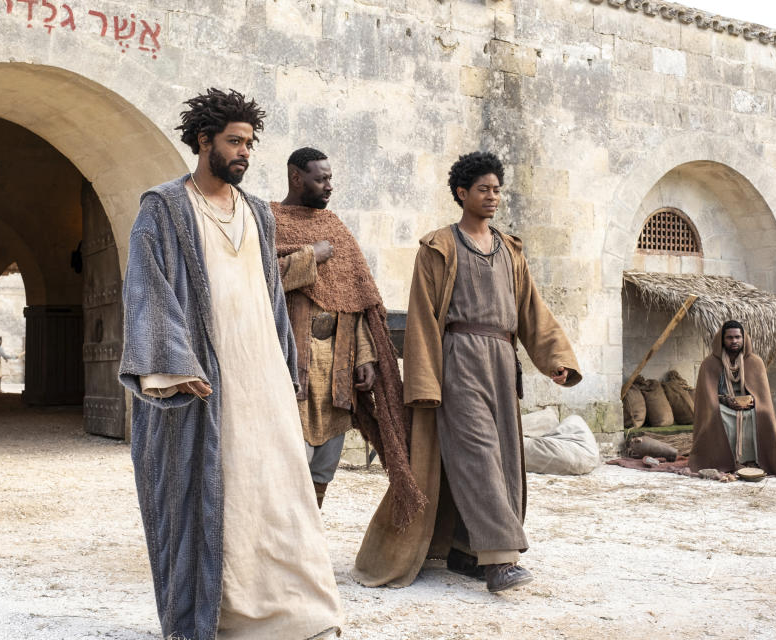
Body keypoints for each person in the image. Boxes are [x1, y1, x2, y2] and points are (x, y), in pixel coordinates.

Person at [118, 88, 342, 640]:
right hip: (202, 380)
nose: (244, 152)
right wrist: (173, 363)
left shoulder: (258, 212)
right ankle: (220, 617)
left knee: (276, 491)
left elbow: (270, 296)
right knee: (212, 495)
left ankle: (300, 614)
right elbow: (148, 290)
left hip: (260, 372)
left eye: (250, 143)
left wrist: (287, 367)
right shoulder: (165, 207)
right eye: (234, 142)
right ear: (204, 141)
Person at [354, 151, 582, 593]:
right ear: (462, 193)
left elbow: (532, 311)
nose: (493, 197)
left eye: (497, 189)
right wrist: (423, 381)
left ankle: (464, 551)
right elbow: (422, 318)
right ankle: (500, 559)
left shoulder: (510, 249)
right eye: (484, 189)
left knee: (502, 459)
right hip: (457, 360)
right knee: (476, 453)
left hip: (501, 361)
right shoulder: (438, 247)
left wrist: (556, 360)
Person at [272, 147, 409, 509]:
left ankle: (309, 544)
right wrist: (308, 256)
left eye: (330, 178)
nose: (329, 186)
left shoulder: (336, 228)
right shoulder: (269, 220)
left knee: (324, 465)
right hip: (290, 362)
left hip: (336, 366)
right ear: (296, 177)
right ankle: (285, 547)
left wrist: (365, 356)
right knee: (289, 460)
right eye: (321, 179)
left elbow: (355, 299)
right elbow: (257, 277)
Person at [689, 320, 776, 477]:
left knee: (763, 414)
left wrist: (753, 401)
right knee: (716, 414)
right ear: (722, 340)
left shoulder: (755, 362)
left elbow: (762, 395)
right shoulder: (710, 363)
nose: (734, 341)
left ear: (743, 339)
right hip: (723, 405)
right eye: (730, 338)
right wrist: (725, 400)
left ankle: (753, 460)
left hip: (750, 406)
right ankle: (727, 461)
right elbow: (707, 397)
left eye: (738, 337)